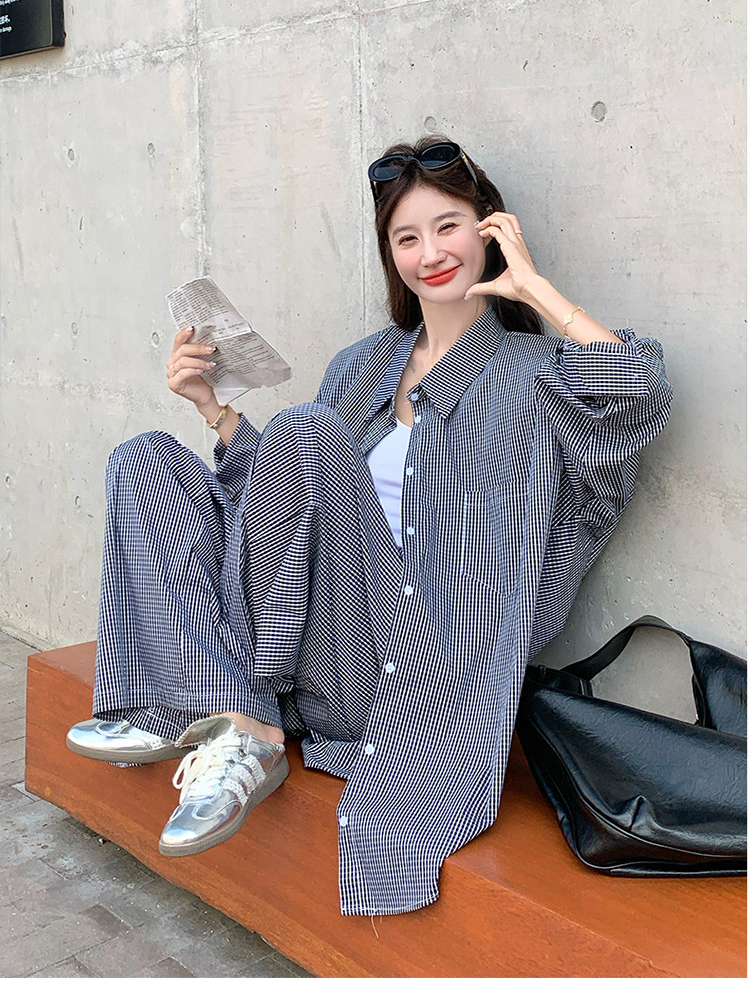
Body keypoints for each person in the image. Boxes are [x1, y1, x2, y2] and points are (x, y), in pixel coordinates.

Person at [66, 137, 672, 917]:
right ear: (390, 254)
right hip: (309, 649)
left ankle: (224, 715)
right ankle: (233, 713)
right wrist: (215, 412)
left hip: (408, 676)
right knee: (146, 459)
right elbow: (289, 513)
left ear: (490, 228)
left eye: (448, 227)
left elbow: (640, 395)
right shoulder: (363, 365)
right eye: (406, 237)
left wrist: (534, 289)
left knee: (306, 431)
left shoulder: (537, 377)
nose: (431, 254)